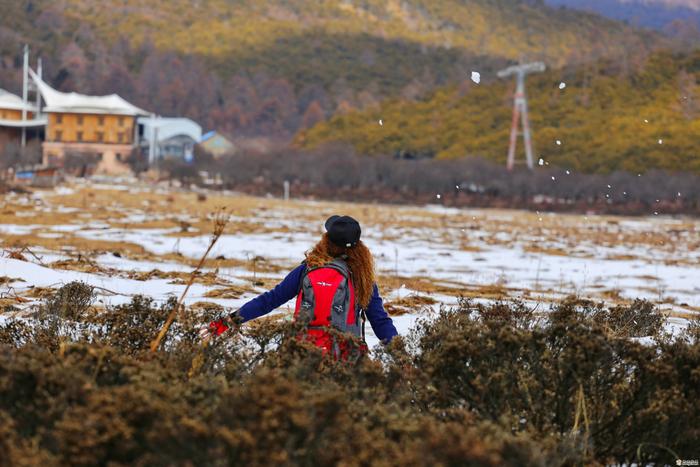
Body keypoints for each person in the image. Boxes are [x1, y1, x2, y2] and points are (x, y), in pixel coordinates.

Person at [203, 215, 398, 355]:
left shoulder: (308, 269)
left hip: (302, 352)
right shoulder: (361, 277)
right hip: (345, 358)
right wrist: (402, 357)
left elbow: (269, 300)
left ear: (326, 241)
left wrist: (225, 323)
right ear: (359, 246)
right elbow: (380, 322)